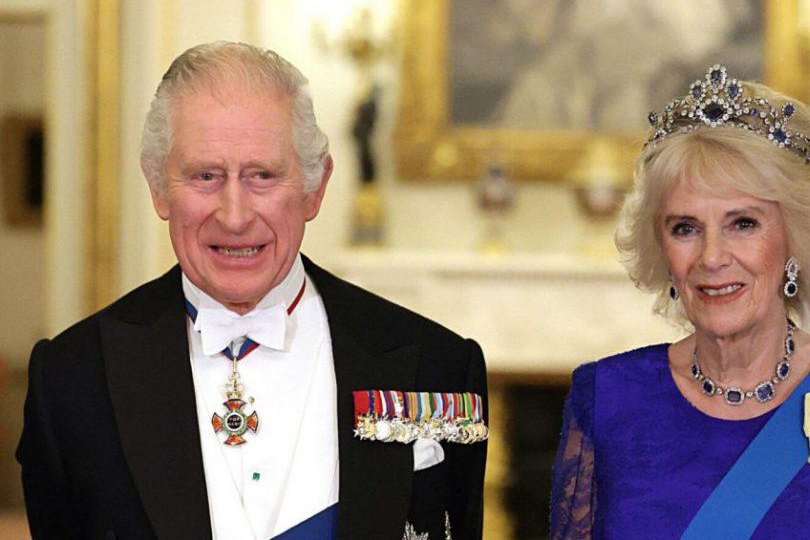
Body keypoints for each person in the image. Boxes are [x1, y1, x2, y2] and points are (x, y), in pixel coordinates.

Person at [18, 41, 488, 540]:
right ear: (158, 187)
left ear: (315, 187)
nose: (235, 215)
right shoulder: (72, 379)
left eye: (263, 175)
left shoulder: (435, 367)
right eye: (205, 176)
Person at [549, 65, 810, 539]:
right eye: (685, 228)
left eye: (744, 223)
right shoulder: (605, 398)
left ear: (796, 239)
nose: (711, 257)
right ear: (662, 248)